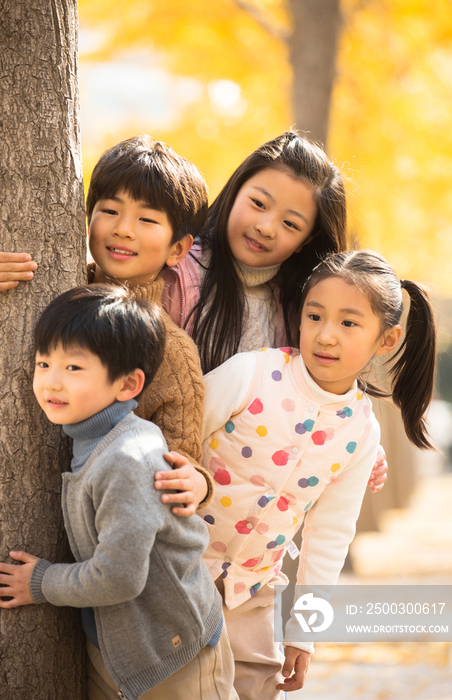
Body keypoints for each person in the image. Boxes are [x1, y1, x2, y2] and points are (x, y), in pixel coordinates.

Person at [191, 250, 437, 699]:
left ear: (386, 339)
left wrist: (304, 633)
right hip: (180, 569)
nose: (326, 335)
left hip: (254, 591)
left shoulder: (361, 433)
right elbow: (177, 439)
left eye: (348, 323)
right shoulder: (253, 374)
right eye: (315, 315)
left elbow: (328, 537)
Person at [0, 284, 238, 700]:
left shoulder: (127, 458)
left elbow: (120, 576)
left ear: (128, 385)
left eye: (73, 368)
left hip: (176, 652)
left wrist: (42, 582)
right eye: (43, 363)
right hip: (124, 646)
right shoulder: (92, 437)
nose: (51, 382)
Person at [158, 131, 386, 493]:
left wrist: (352, 442)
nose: (265, 227)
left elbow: (314, 391)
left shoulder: (301, 311)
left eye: (290, 224)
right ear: (236, 190)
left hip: (239, 507)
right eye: (259, 204)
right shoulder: (175, 272)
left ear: (306, 241)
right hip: (162, 473)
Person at [0, 135, 214, 515]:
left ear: (178, 249)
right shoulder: (51, 286)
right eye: (110, 211)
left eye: (147, 219)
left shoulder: (171, 349)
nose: (124, 229)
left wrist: (198, 482)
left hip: (102, 523)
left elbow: (182, 460)